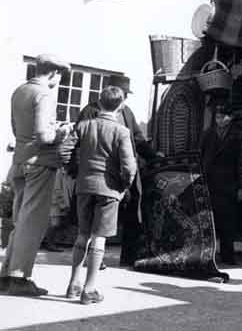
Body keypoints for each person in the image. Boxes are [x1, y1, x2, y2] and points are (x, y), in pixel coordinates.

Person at [0, 54, 71, 296]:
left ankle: (6, 274)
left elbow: (16, 128)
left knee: (19, 219)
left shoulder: (20, 91)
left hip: (19, 161)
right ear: (53, 73)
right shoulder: (44, 94)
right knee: (33, 222)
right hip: (39, 164)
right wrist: (62, 132)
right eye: (59, 76)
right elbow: (44, 136)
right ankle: (19, 277)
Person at [77, 74, 161, 266]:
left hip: (125, 173)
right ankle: (92, 258)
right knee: (94, 219)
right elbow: (77, 144)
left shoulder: (127, 112)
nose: (125, 98)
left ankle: (129, 257)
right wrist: (75, 171)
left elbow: (138, 139)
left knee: (133, 211)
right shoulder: (90, 111)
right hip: (101, 175)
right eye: (124, 93)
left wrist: (154, 155)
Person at [66, 86, 137, 304]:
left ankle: (73, 285)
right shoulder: (121, 131)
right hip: (109, 190)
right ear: (121, 105)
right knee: (99, 239)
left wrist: (73, 172)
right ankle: (89, 289)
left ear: (99, 102)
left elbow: (64, 149)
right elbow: (128, 167)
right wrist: (124, 187)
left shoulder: (84, 125)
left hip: (84, 186)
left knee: (82, 235)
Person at [197, 103, 242, 265]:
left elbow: (241, 163)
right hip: (210, 182)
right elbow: (200, 157)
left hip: (228, 184)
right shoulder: (207, 134)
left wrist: (241, 186)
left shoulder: (238, 136)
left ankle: (228, 255)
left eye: (222, 117)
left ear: (230, 118)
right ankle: (208, 255)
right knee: (209, 220)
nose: (219, 120)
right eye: (217, 117)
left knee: (228, 222)